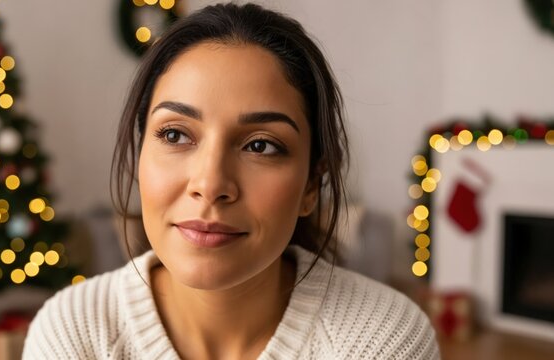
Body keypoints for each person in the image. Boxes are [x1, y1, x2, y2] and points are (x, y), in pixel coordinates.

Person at [23, 3, 440, 359]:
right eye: (175, 135)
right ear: (140, 157)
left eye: (261, 146)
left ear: (312, 185)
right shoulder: (74, 335)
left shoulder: (382, 340)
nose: (210, 183)